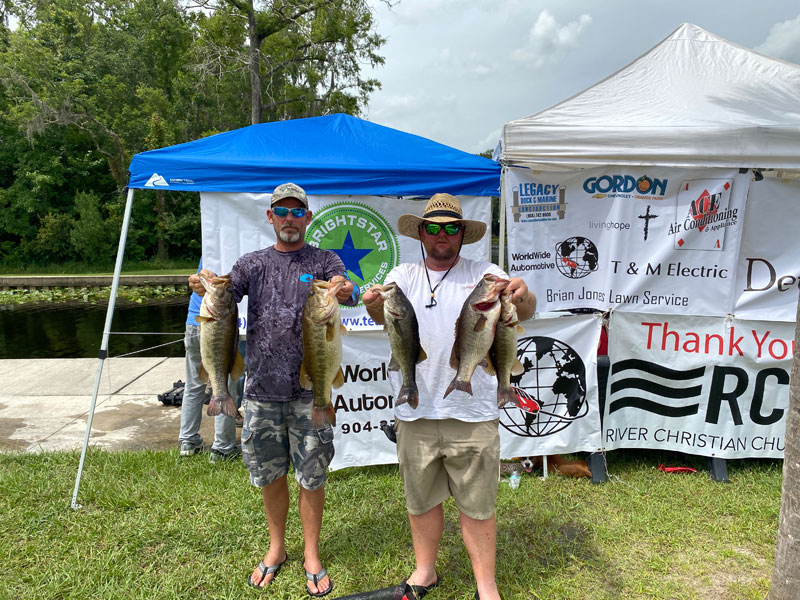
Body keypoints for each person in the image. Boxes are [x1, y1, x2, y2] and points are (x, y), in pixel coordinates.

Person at [362, 193, 535, 600]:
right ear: (421, 233)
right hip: (416, 410)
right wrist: (372, 304)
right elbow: (385, 318)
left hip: (473, 412)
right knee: (421, 500)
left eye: (452, 227)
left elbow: (523, 310)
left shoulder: (485, 273)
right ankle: (425, 572)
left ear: (462, 234)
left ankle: (486, 586)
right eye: (434, 227)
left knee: (478, 504)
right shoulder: (403, 275)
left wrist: (522, 294)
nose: (443, 235)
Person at [189, 183, 356, 597]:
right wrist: (203, 283)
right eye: (282, 211)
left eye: (297, 212)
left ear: (308, 218)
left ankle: (311, 553)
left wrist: (342, 287)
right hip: (261, 390)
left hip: (309, 393)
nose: (289, 219)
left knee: (312, 477)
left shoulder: (322, 260)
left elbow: (346, 286)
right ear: (270, 217)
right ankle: (277, 547)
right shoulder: (252, 263)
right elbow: (225, 291)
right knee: (270, 475)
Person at [178, 259, 241, 463]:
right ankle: (222, 447)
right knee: (226, 383)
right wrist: (196, 279)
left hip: (197, 322)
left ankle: (188, 440)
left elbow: (200, 276)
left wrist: (199, 278)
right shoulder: (248, 248)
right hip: (220, 324)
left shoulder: (212, 247)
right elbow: (198, 278)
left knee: (194, 384)